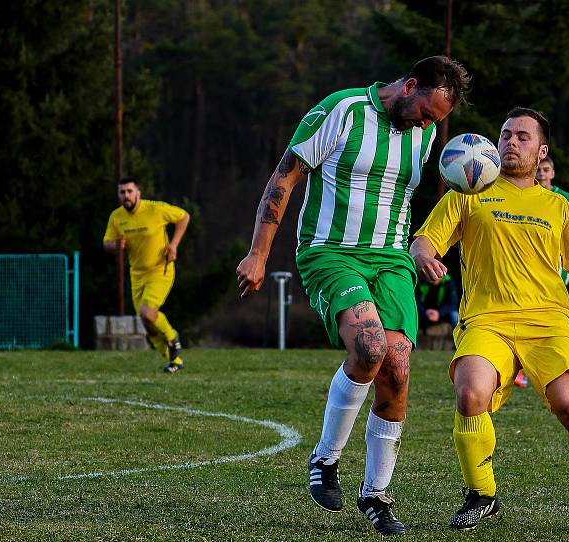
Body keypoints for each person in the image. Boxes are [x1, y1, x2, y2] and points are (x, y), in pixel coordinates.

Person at [236, 56, 470, 535]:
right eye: (426, 112)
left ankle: (376, 495)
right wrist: (259, 254)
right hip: (331, 252)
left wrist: (424, 248)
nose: (428, 125)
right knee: (369, 347)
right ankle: (325, 459)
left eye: (436, 120)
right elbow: (284, 177)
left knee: (398, 366)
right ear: (408, 85)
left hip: (391, 260)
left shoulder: (425, 136)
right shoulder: (341, 111)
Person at [410, 107, 569, 536]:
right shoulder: (467, 191)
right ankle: (481, 495)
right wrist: (422, 254)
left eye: (523, 137)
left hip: (548, 324)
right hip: (487, 321)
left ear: (542, 150)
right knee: (471, 391)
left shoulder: (557, 206)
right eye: (506, 134)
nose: (511, 142)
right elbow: (426, 239)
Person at [512, 156, 569, 388]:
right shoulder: (523, 196)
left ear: (553, 173)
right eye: (539, 170)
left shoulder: (565, 199)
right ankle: (522, 368)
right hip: (526, 264)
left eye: (546, 170)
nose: (542, 174)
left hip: (555, 263)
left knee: (553, 308)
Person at [103, 177, 190, 373]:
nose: (126, 195)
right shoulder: (116, 217)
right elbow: (106, 243)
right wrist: (115, 246)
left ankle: (172, 336)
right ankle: (174, 360)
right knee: (146, 322)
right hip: (137, 274)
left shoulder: (155, 209)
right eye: (122, 192)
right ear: (118, 195)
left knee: (147, 311)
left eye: (129, 191)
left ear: (138, 193)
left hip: (161, 269)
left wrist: (174, 245)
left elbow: (184, 217)